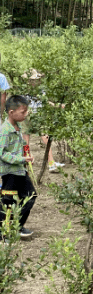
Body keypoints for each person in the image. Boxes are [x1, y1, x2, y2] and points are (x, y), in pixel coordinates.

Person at [0, 96, 36, 240]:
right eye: (23, 112)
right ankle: (3, 233)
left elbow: (21, 145)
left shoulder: (18, 127)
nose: (25, 114)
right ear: (11, 112)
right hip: (10, 172)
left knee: (31, 195)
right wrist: (21, 159)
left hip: (20, 170)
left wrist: (27, 155)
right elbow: (2, 153)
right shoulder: (4, 131)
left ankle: (18, 226)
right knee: (8, 202)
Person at [21, 69, 64, 173]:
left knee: (28, 140)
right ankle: (47, 163)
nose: (38, 81)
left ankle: (31, 163)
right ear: (30, 81)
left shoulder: (28, 90)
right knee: (37, 139)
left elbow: (45, 102)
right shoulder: (30, 91)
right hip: (33, 117)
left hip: (29, 116)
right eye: (36, 79)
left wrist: (56, 106)